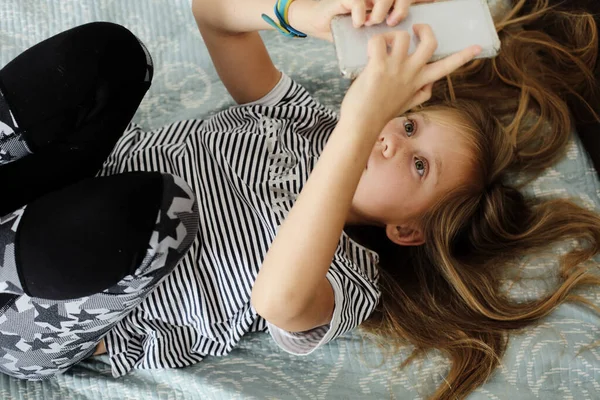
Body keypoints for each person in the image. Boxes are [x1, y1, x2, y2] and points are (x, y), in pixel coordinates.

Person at [0, 0, 597, 399]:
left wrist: (361, 121)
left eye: (419, 164)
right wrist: (299, 15)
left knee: (156, 212)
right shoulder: (304, 120)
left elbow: (278, 299)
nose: (391, 138)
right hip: (41, 192)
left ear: (409, 231)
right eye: (409, 123)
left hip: (40, 301)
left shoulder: (346, 277)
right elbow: (213, 13)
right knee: (112, 55)